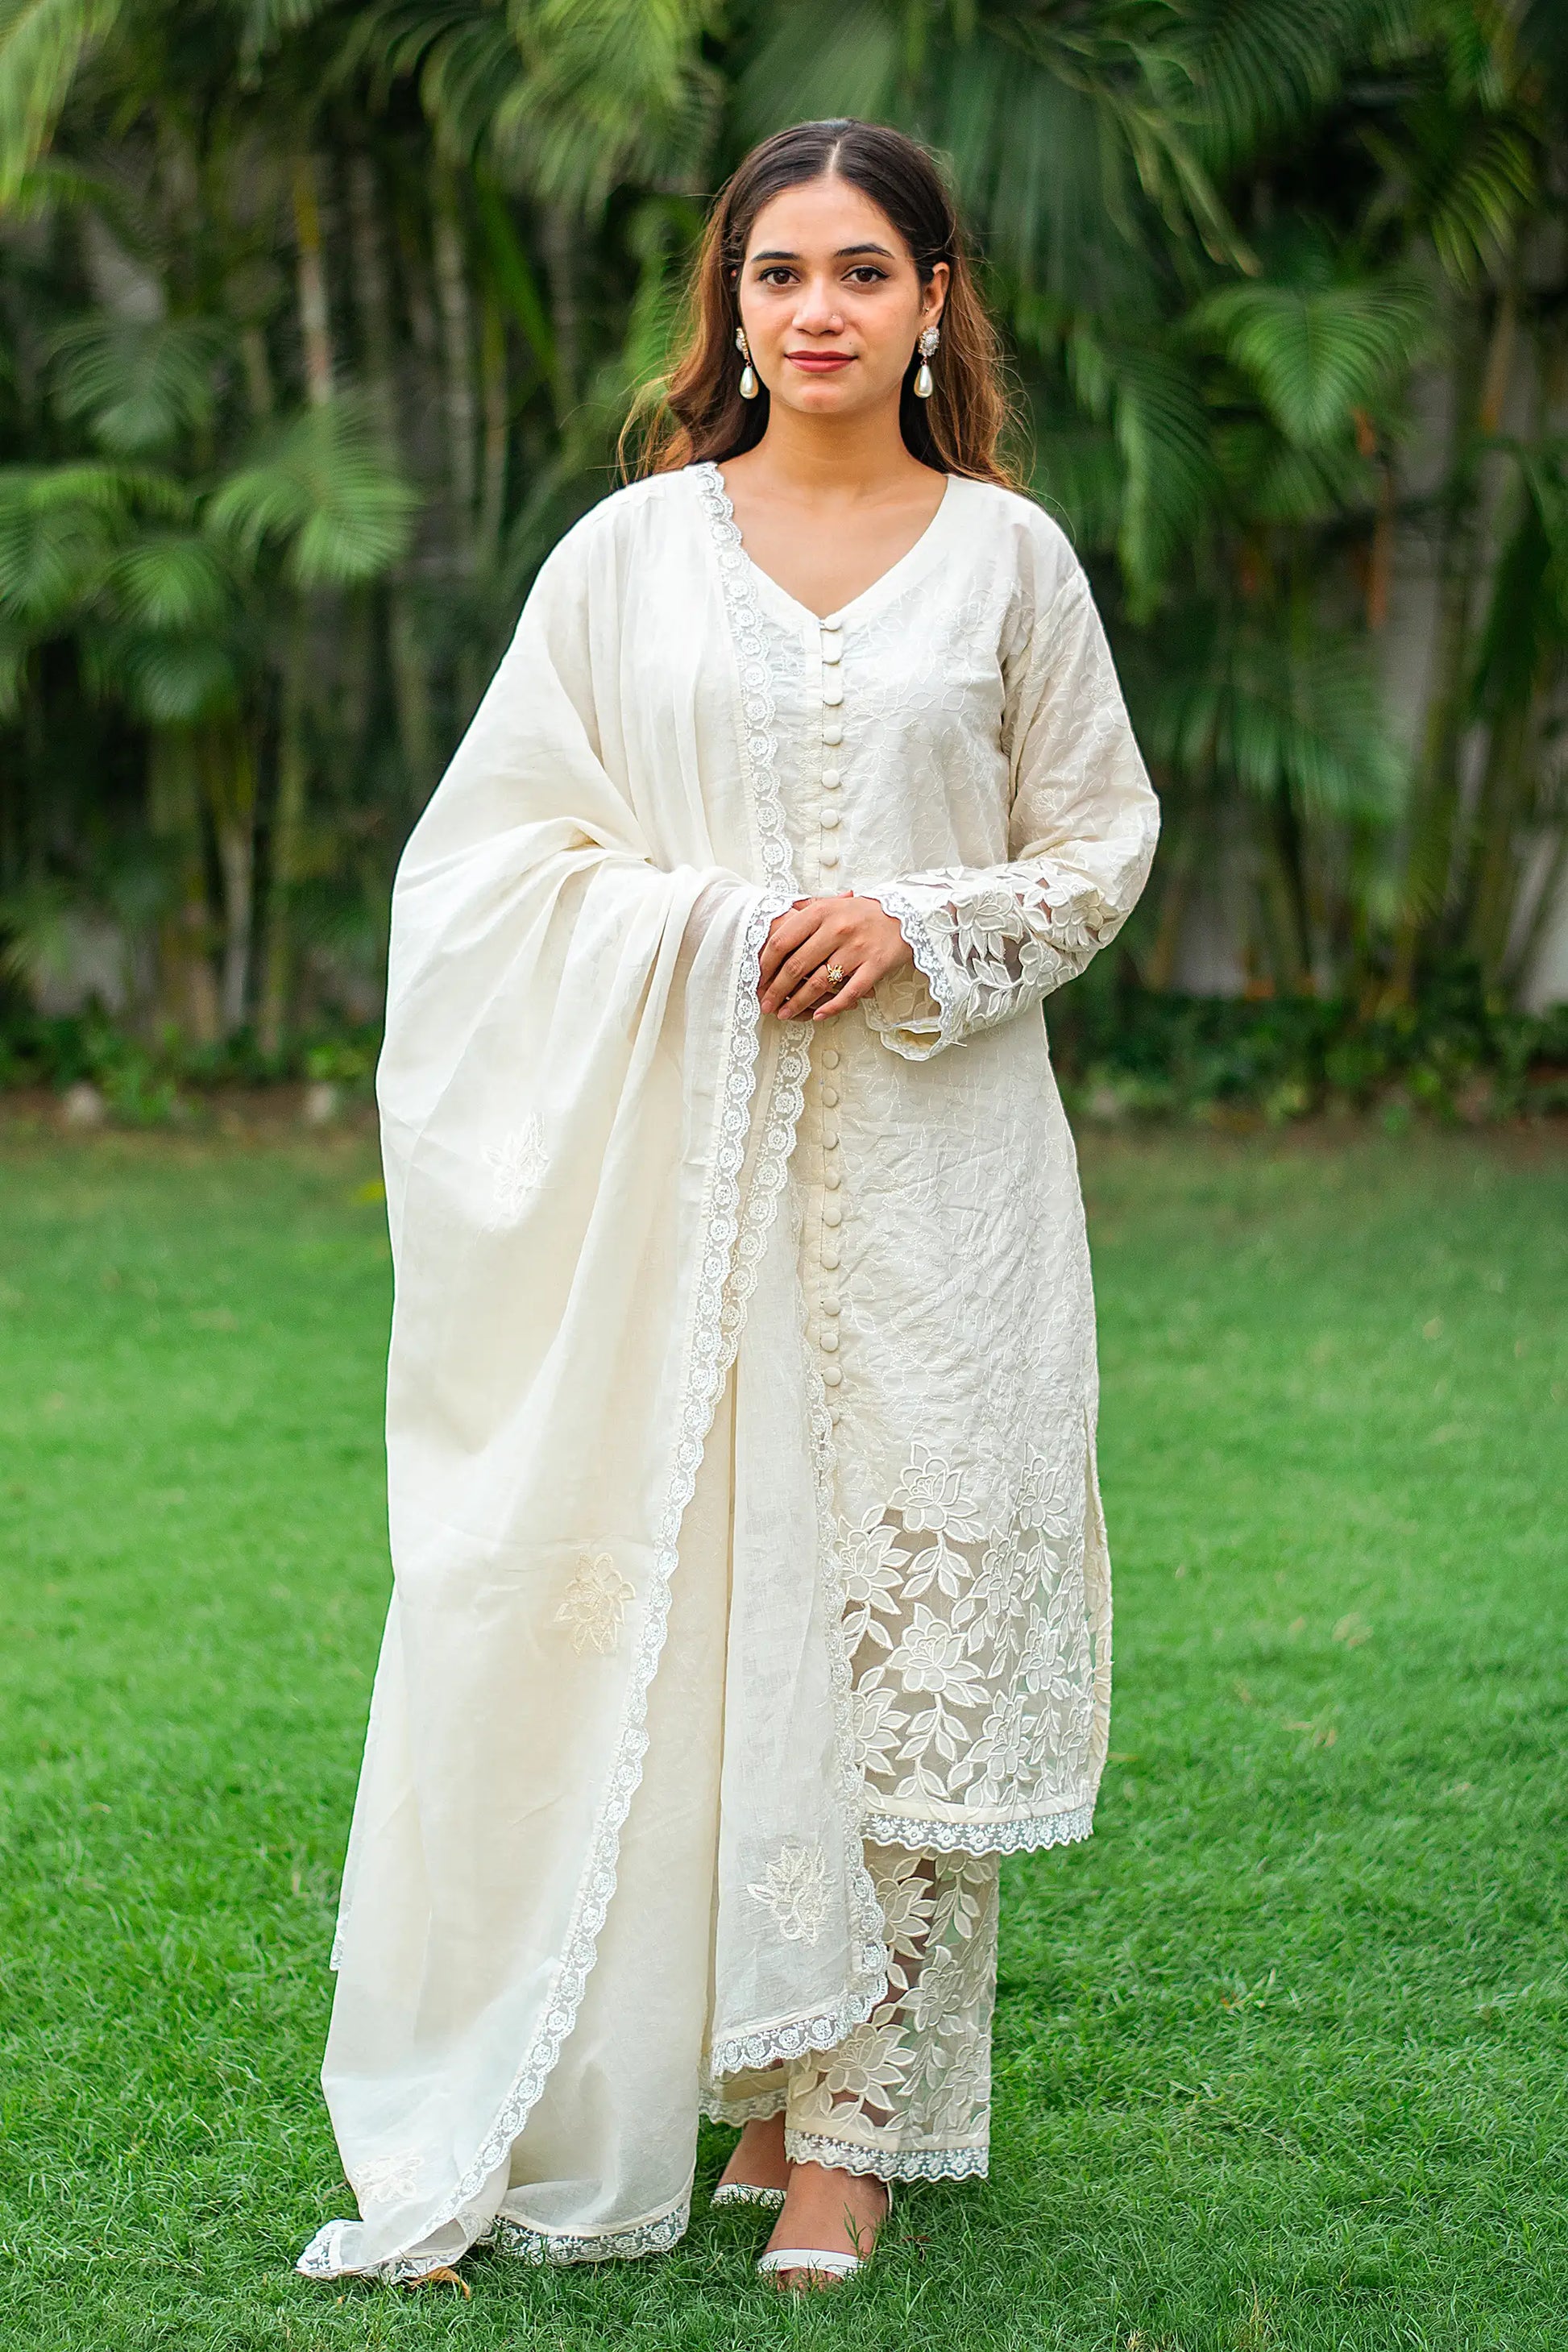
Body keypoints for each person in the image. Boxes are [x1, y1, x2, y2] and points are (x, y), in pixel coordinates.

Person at [298, 116, 1159, 2297]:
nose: (818, 310)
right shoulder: (624, 560)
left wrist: (912, 924)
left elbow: (1096, 846)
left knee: (910, 1614)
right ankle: (763, 2092)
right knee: (720, 1616)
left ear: (935, 302)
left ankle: (863, 2131)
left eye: (864, 270)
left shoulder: (1007, 561)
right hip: (676, 1196)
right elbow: (487, 867)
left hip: (940, 1185)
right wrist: (703, 929)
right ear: (733, 308)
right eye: (780, 273)